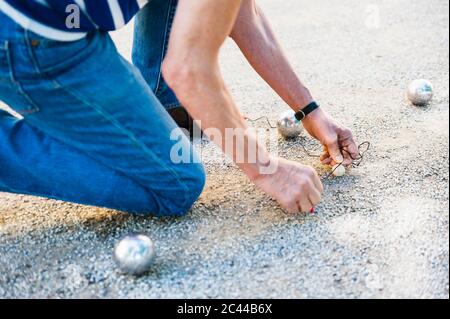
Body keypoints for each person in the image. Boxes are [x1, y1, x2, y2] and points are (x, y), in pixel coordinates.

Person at [0, 0, 358, 216]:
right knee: (175, 182)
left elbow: (237, 12)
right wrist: (266, 170)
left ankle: (168, 106)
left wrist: (309, 111)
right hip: (26, 33)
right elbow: (188, 68)